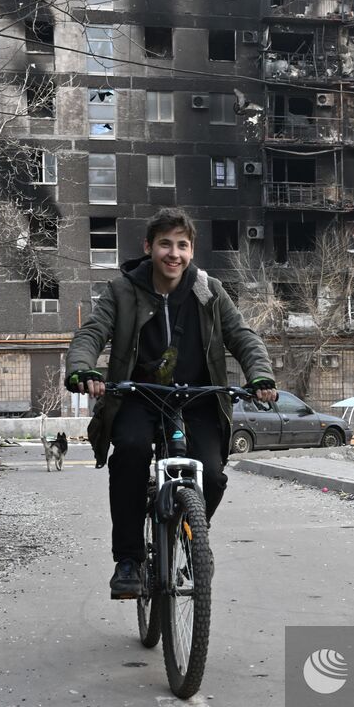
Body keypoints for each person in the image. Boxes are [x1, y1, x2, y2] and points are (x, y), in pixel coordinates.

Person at [65, 208, 278, 599]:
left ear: (191, 250)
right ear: (149, 247)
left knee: (210, 474)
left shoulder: (208, 290)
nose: (173, 253)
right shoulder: (123, 290)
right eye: (165, 243)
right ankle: (128, 560)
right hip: (137, 396)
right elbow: (92, 333)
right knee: (129, 452)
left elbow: (242, 336)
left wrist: (260, 374)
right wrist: (84, 370)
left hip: (197, 398)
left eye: (182, 245)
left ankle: (191, 531)